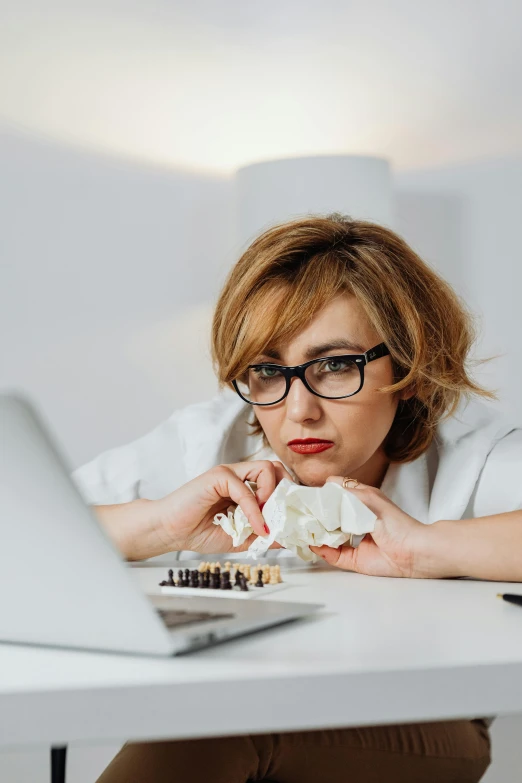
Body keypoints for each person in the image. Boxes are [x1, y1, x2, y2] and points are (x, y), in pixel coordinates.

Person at [74, 214, 522, 782]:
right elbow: (28, 530)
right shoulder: (213, 438)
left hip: (423, 715)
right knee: (222, 709)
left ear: (408, 365)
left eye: (335, 366)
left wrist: (430, 548)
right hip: (246, 695)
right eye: (267, 370)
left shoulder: (468, 450)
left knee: (228, 714)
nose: (297, 410)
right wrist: (160, 528)